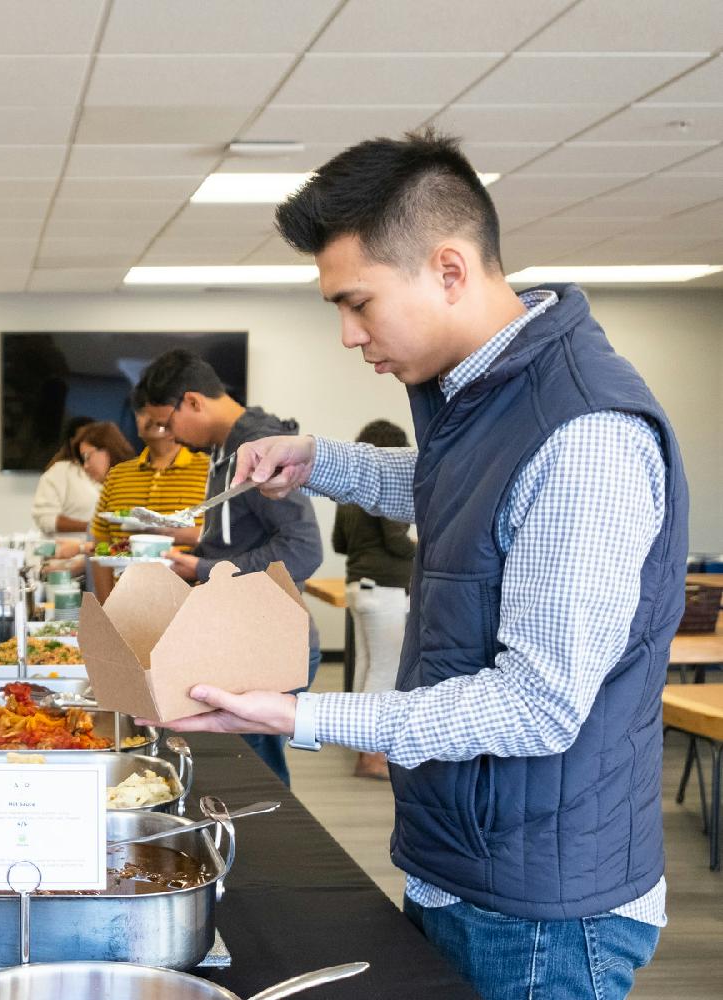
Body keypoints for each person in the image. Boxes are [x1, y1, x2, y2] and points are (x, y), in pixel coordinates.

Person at [163, 130, 685, 1000]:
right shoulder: (492, 403)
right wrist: (318, 458)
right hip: (475, 860)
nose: (345, 333)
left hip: (541, 909)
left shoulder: (586, 434)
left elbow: (538, 707)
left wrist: (304, 713)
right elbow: (464, 490)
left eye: (358, 303)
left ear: (449, 269)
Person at [132, 349, 322, 786]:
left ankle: (265, 851)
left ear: (193, 402)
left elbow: (303, 550)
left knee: (253, 774)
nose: (169, 435)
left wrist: (201, 567)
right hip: (243, 636)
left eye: (168, 421)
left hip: (268, 643)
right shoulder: (227, 449)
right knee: (245, 767)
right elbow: (241, 536)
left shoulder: (256, 447)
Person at [332, 419, 416, 781]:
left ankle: (358, 738)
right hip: (385, 589)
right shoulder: (385, 485)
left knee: (366, 666)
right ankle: (371, 757)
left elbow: (339, 544)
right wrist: (428, 551)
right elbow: (397, 543)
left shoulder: (348, 490)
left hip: (357, 586)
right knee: (385, 670)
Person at [90, 405, 208, 601]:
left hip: (191, 606)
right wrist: (107, 610)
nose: (153, 417)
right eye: (144, 410)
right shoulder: (117, 474)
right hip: (127, 603)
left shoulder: (209, 470)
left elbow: (222, 537)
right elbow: (101, 545)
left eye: (162, 408)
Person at [31, 414, 97, 534]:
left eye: (94, 439)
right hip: (68, 549)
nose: (88, 445)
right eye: (83, 439)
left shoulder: (111, 472)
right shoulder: (59, 472)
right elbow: (45, 519)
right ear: (72, 442)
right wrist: (90, 527)